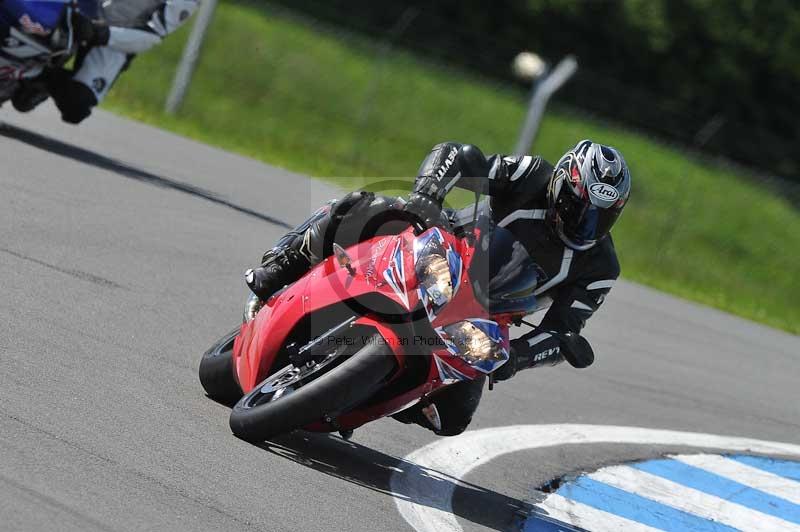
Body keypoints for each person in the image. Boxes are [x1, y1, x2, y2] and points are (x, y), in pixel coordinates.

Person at [245, 139, 631, 435]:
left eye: (600, 218)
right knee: (368, 206)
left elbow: (563, 331)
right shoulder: (532, 174)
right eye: (579, 208)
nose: (585, 224)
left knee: (453, 418)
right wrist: (428, 194)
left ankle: (376, 399)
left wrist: (519, 356)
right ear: (561, 184)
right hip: (443, 248)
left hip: (481, 317)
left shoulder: (601, 267)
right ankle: (283, 266)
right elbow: (461, 156)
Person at [12, 0, 200, 124]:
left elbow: (153, 35)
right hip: (76, 5)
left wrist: (103, 33)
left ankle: (39, 79)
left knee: (76, 106)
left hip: (114, 34)